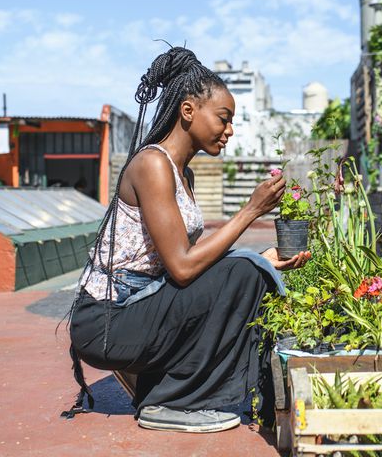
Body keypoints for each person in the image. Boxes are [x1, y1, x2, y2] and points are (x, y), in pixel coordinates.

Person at [64, 46, 310, 433]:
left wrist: (261, 258)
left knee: (247, 270)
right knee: (243, 273)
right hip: (107, 322)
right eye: (224, 119)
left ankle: (166, 387)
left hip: (141, 306)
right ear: (189, 110)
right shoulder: (152, 165)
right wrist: (249, 212)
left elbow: (190, 258)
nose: (229, 131)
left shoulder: (182, 173)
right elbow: (181, 268)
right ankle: (172, 401)